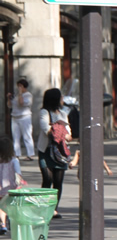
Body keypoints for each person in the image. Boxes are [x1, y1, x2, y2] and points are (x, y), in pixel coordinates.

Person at [37, 88, 70, 218]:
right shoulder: (44, 112)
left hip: (60, 152)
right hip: (46, 150)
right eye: (61, 97)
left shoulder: (63, 114)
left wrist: (57, 128)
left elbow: (69, 135)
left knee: (58, 181)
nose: (62, 100)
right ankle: (43, 208)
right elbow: (47, 130)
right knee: (47, 179)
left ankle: (54, 209)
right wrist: (60, 129)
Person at [0, 135, 28, 235]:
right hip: (12, 188)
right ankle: (12, 221)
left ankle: (3, 225)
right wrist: (19, 182)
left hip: (1, 188)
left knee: (2, 207)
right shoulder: (14, 160)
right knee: (12, 206)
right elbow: (18, 172)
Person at [7, 78, 35, 161]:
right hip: (15, 117)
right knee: (15, 137)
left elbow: (21, 103)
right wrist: (9, 98)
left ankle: (30, 154)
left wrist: (20, 94)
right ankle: (16, 154)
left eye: (20, 86)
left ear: (24, 87)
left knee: (27, 136)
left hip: (25, 117)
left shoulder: (28, 95)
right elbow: (9, 105)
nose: (19, 87)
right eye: (18, 86)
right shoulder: (16, 95)